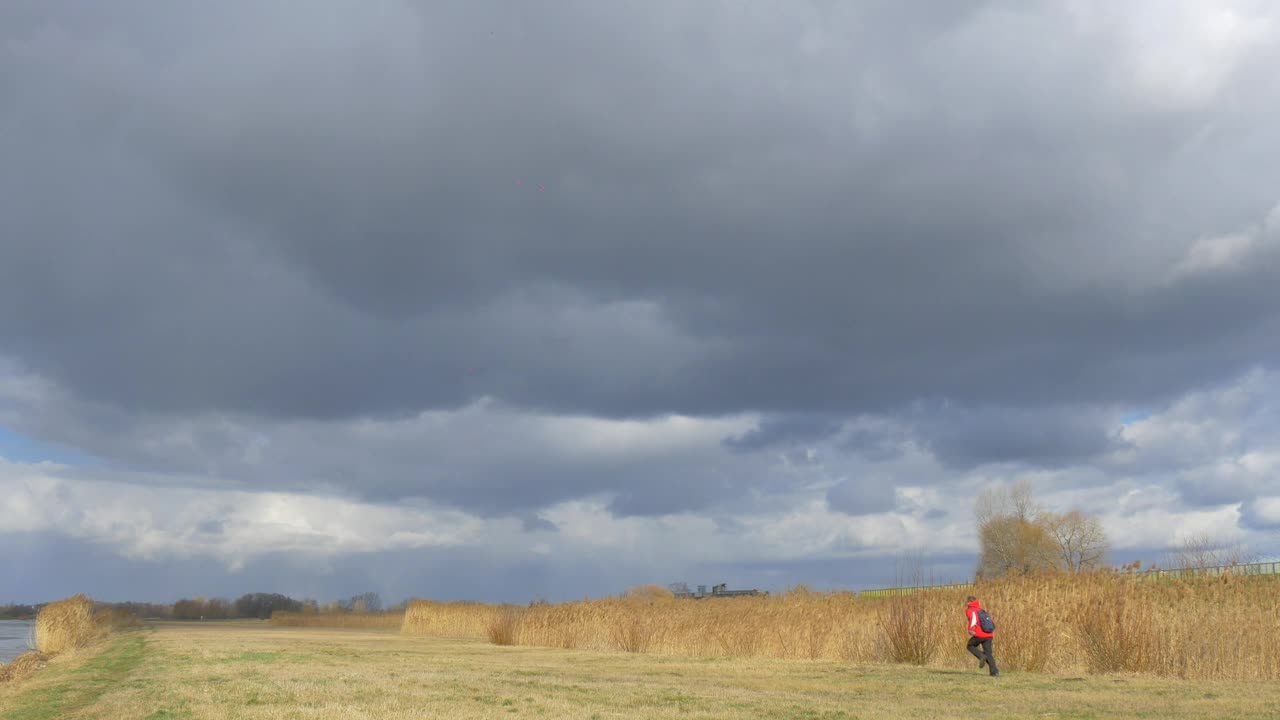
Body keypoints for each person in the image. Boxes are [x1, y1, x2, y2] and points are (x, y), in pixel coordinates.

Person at [965, 595, 1000, 677]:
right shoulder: (981, 610)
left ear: (969, 602)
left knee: (970, 646)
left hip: (980, 634)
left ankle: (981, 656)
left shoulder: (970, 610)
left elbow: (973, 619)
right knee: (988, 653)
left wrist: (971, 629)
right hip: (989, 634)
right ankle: (995, 672)